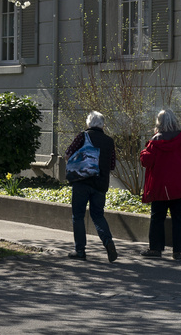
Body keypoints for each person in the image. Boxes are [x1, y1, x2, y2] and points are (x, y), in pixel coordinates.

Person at [140, 109, 181, 261]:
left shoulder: (155, 140)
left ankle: (155, 249)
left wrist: (143, 152)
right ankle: (177, 252)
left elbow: (146, 162)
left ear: (159, 123)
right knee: (179, 220)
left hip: (161, 187)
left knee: (157, 217)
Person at [64, 111, 118, 262]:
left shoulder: (83, 136)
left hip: (82, 181)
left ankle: (80, 250)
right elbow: (112, 165)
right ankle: (108, 242)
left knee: (78, 216)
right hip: (100, 184)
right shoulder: (109, 141)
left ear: (88, 123)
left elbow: (68, 154)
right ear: (102, 124)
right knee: (98, 215)